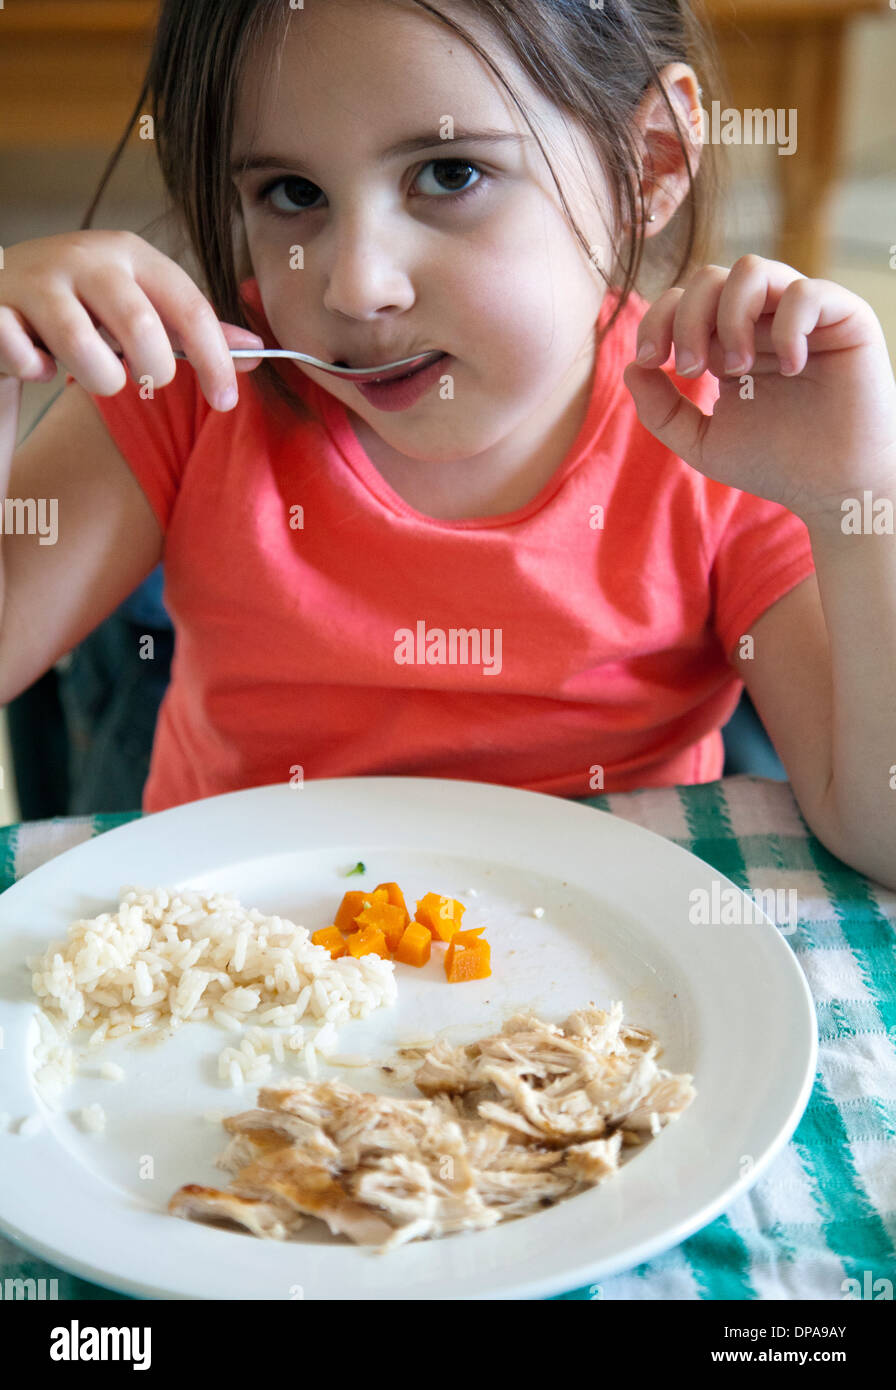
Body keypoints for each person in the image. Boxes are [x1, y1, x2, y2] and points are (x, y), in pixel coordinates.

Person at [0, 1, 893, 886]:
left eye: (450, 174)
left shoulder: (726, 439)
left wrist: (855, 501)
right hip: (237, 989)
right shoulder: (188, 391)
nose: (358, 287)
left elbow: (880, 832)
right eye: (294, 194)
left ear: (649, 161)